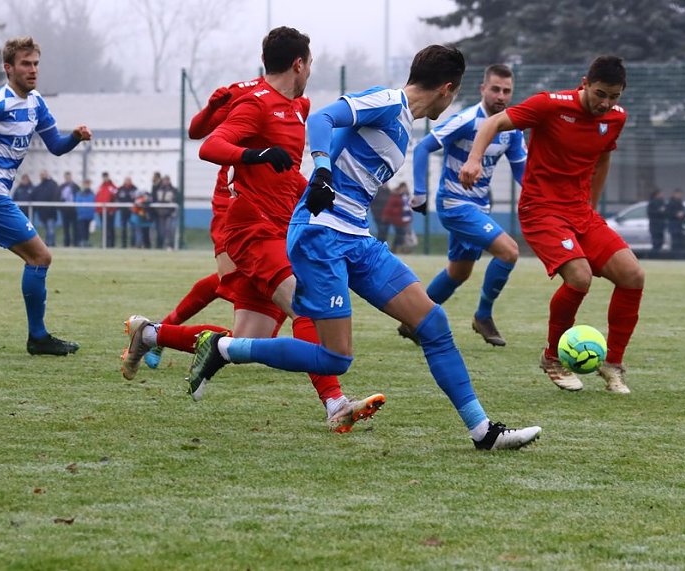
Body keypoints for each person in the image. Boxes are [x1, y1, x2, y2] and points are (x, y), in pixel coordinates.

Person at [186, 44, 542, 451]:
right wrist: (321, 171)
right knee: (337, 358)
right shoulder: (388, 102)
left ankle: (484, 432)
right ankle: (223, 347)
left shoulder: (405, 121)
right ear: (448, 89)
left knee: (433, 324)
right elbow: (322, 118)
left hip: (356, 237)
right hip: (321, 235)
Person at [122, 27, 383, 433]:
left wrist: (317, 189)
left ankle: (152, 334)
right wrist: (254, 152)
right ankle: (335, 403)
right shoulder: (256, 102)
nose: (310, 72)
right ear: (299, 64)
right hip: (251, 228)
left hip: (283, 228)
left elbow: (284, 172)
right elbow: (207, 144)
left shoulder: (299, 107)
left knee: (248, 338)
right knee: (307, 304)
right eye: (310, 64)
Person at [459, 55, 640, 395]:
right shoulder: (549, 105)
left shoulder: (616, 118)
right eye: (600, 94)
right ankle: (552, 357)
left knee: (633, 275)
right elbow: (492, 123)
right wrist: (474, 159)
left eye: (614, 96)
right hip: (540, 209)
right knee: (580, 277)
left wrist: (593, 206)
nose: (606, 103)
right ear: (584, 83)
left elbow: (603, 158)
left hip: (580, 212)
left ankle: (613, 365)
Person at [0, 36, 92, 355]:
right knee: (40, 257)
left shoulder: (36, 105)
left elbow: (56, 147)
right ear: (9, 68)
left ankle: (38, 336)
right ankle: (38, 337)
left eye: (35, 64)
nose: (33, 70)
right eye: (25, 64)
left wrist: (74, 138)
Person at [141, 78, 266, 369]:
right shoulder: (247, 94)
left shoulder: (299, 102)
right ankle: (158, 332)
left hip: (273, 204)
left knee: (252, 329)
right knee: (238, 284)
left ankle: (159, 331)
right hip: (235, 199)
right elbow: (197, 131)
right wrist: (212, 106)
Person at [399, 63, 526, 347]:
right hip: (455, 204)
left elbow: (522, 171)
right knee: (508, 252)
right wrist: (420, 193)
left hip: (480, 207)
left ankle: (414, 320)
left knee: (459, 272)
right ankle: (483, 316)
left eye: (507, 91)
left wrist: (541, 199)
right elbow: (423, 147)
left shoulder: (512, 130)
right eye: (495, 89)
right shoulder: (466, 120)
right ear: (483, 89)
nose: (501, 96)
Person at [382, 182, 416, 253]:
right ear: (400, 188)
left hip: (406, 220)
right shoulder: (395, 196)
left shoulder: (407, 196)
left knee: (404, 236)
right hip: (397, 219)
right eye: (403, 188)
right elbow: (390, 207)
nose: (405, 189)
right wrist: (387, 216)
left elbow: (409, 207)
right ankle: (395, 249)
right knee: (400, 234)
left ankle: (401, 249)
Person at [31, 169, 59, 247]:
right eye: (41, 174)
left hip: (51, 212)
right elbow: (34, 196)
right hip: (42, 213)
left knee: (50, 230)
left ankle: (52, 244)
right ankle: (48, 244)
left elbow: (55, 196)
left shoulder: (53, 184)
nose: (42, 176)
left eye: (43, 174)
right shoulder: (39, 187)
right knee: (47, 230)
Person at [152, 174, 178, 250]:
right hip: (159, 213)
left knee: (169, 230)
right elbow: (154, 197)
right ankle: (160, 245)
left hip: (169, 214)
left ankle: (169, 245)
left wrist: (171, 211)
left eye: (167, 180)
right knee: (160, 231)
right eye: (164, 180)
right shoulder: (157, 188)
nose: (165, 182)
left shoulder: (173, 190)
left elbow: (175, 200)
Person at [664, 188, 685, 259]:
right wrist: (676, 214)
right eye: (678, 194)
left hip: (680, 225)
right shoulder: (670, 203)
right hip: (673, 225)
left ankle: (679, 256)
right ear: (674, 194)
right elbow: (667, 213)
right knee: (675, 242)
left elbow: (684, 214)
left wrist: (683, 216)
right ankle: (674, 256)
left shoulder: (680, 202)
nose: (680, 195)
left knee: (680, 242)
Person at [95, 172, 117, 248]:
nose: (105, 178)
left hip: (110, 211)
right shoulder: (100, 187)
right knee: (104, 228)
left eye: (106, 176)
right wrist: (98, 209)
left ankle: (111, 244)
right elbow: (97, 198)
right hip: (101, 211)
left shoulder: (112, 187)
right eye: (104, 177)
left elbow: (115, 199)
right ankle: (105, 243)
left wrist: (112, 210)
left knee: (110, 228)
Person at [115, 176, 136, 248]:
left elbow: (137, 199)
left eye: (129, 180)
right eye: (126, 180)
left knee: (133, 228)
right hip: (123, 212)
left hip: (132, 212)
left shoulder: (134, 189)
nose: (127, 182)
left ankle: (133, 244)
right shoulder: (121, 189)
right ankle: (124, 244)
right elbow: (117, 198)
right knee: (123, 228)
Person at [59, 171, 79, 247]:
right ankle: (66, 243)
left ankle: (75, 243)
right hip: (65, 210)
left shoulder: (75, 186)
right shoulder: (62, 186)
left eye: (69, 176)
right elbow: (59, 197)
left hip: (73, 210)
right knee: (65, 227)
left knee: (75, 227)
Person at [75, 178, 95, 247]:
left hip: (89, 215)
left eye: (88, 183)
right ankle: (82, 242)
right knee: (81, 230)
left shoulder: (92, 193)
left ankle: (86, 242)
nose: (87, 185)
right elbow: (78, 204)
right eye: (86, 183)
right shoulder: (79, 194)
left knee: (87, 230)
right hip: (81, 215)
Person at [646, 188, 666, 259]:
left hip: (661, 226)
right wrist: (659, 211)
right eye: (660, 194)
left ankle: (656, 256)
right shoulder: (652, 203)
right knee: (656, 242)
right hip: (654, 226)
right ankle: (653, 256)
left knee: (660, 242)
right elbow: (651, 213)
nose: (662, 195)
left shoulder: (662, 202)